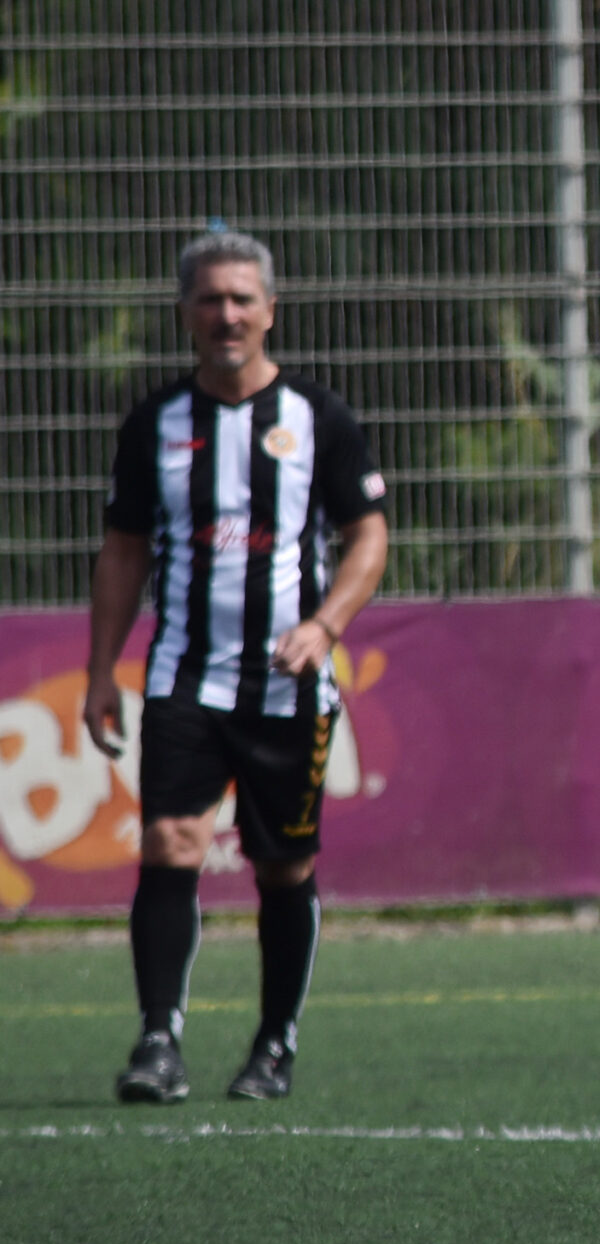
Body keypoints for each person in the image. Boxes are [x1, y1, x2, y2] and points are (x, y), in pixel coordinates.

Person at [87, 230, 391, 1105]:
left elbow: (369, 535)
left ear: (270, 310)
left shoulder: (318, 418)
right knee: (169, 843)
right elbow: (123, 549)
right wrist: (101, 669)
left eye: (241, 298)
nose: (227, 314)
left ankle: (274, 1044)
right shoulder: (155, 423)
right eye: (211, 299)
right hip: (183, 677)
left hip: (287, 688)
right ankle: (158, 1041)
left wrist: (325, 626)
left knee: (282, 867)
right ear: (186, 312)